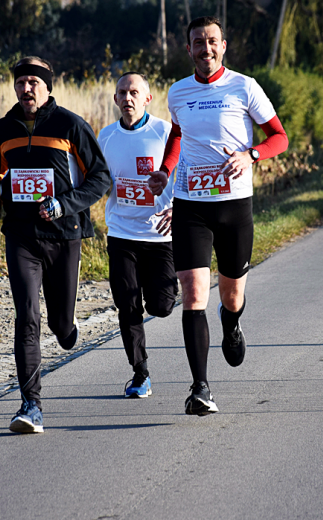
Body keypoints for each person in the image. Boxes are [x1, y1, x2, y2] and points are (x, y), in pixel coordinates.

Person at [148, 16, 289, 416]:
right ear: (188, 49)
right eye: (197, 42)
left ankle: (232, 322)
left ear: (223, 45)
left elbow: (280, 136)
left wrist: (252, 154)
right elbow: (178, 134)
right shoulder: (177, 92)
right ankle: (200, 388)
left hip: (233, 207)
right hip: (191, 206)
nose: (205, 48)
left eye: (212, 41)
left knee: (231, 295)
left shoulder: (245, 86)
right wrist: (165, 169)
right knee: (193, 295)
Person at [0, 56, 111, 433]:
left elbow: (100, 177)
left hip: (64, 236)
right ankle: (30, 405)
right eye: (20, 82)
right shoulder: (1, 130)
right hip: (21, 236)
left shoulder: (70, 125)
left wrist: (63, 204)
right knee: (27, 316)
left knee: (58, 323)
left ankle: (67, 327)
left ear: (47, 86)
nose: (26, 88)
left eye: (33, 82)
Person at [97, 72, 178, 398]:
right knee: (128, 306)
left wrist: (178, 211)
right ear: (115, 99)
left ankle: (167, 288)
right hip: (121, 234)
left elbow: (185, 174)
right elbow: (95, 180)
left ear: (147, 98)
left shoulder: (165, 132)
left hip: (160, 235)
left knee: (161, 306)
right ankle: (139, 373)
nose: (127, 98)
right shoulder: (105, 137)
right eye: (122, 93)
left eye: (134, 92)